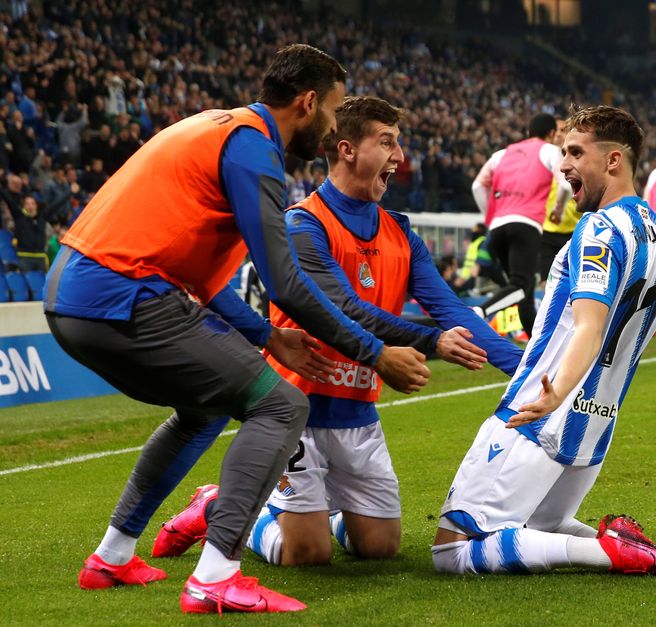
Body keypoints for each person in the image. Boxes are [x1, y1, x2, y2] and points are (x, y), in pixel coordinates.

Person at [43, 45, 429, 615]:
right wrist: (376, 353)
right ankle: (215, 577)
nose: (329, 130)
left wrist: (268, 338)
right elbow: (288, 287)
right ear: (307, 102)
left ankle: (112, 556)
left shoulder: (214, 128)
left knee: (203, 409)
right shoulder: (253, 151)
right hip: (122, 294)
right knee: (279, 406)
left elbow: (202, 277)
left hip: (73, 296)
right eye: (333, 110)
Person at [151, 96, 523, 568]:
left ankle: (303, 514)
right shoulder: (303, 225)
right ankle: (217, 506)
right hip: (296, 413)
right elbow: (344, 309)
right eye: (387, 142)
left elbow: (451, 308)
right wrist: (429, 341)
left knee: (379, 546)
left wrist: (523, 368)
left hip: (357, 415)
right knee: (306, 554)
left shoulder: (400, 233)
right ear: (347, 149)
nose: (400, 157)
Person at [431, 105, 656, 578]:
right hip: (593, 433)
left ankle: (613, 554)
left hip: (537, 418)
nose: (564, 164)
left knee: (450, 553)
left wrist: (554, 392)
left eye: (575, 152)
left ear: (613, 161)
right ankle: (613, 540)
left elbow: (589, 328)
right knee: (538, 527)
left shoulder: (599, 228)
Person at [471, 113, 571, 337]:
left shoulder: (502, 154)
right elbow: (564, 186)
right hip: (525, 226)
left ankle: (535, 348)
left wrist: (491, 218)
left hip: (497, 228)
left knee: (523, 294)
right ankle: (479, 312)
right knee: (520, 285)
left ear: (527, 132)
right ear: (551, 133)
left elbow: (478, 186)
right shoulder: (548, 150)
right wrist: (558, 211)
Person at [540, 118, 583, 288]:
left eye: (563, 130)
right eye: (556, 130)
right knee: (545, 282)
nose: (559, 134)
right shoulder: (545, 161)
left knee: (573, 282)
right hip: (547, 230)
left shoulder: (578, 163)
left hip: (573, 230)